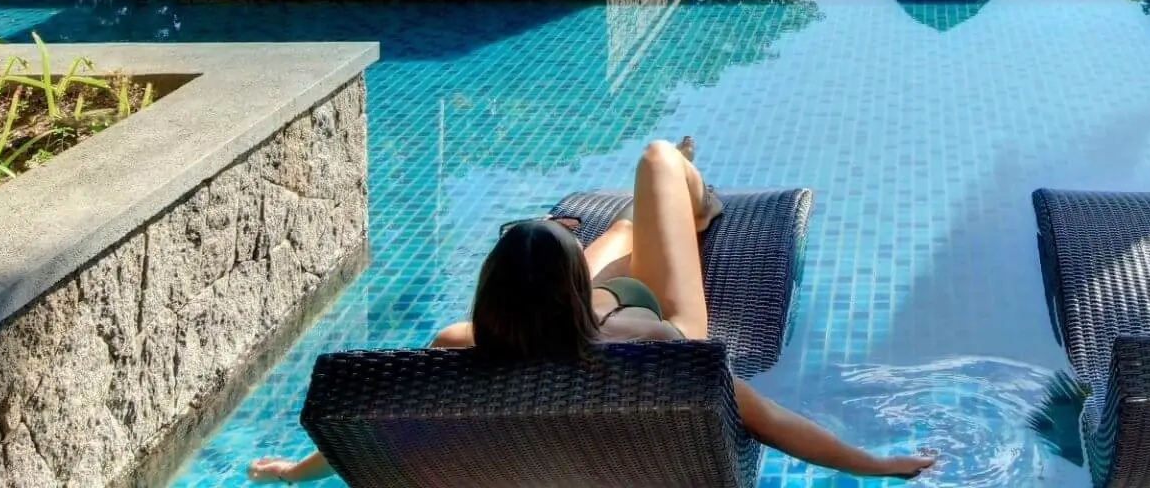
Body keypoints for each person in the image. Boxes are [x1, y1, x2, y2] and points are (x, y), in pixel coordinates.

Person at [249, 138, 936, 483]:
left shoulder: (454, 345)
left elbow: (376, 426)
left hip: (577, 320)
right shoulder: (658, 354)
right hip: (634, 319)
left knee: (619, 239)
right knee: (658, 158)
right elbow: (777, 424)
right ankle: (693, 198)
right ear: (570, 291)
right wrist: (878, 466)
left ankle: (629, 228)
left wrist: (301, 470)